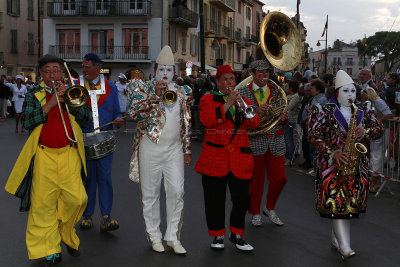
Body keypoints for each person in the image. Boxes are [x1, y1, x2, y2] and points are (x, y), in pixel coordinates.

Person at [5, 54, 91, 265]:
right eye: (48, 71)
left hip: (70, 154)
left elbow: (86, 118)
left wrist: (69, 102)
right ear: (41, 74)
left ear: (62, 73)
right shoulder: (34, 94)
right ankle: (50, 248)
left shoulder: (71, 91)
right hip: (44, 156)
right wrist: (51, 103)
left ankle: (66, 233)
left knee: (78, 199)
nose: (53, 75)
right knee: (43, 206)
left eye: (56, 70)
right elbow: (26, 122)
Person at [308, 70, 384, 260]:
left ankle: (336, 239)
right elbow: (313, 135)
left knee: (348, 206)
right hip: (331, 166)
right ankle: (345, 246)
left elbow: (379, 129)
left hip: (357, 166)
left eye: (353, 91)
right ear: (337, 93)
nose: (350, 95)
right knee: (338, 205)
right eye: (346, 91)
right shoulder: (324, 110)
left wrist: (365, 131)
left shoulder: (363, 110)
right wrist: (332, 152)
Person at [126, 45, 192, 254]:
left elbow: (186, 121)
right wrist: (154, 95)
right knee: (150, 195)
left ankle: (173, 236)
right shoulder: (142, 89)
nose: (165, 74)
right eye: (161, 70)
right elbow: (134, 114)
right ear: (155, 71)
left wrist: (187, 149)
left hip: (174, 149)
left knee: (177, 192)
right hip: (150, 147)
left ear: (174, 72)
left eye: (169, 70)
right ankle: (154, 236)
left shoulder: (182, 92)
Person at [195, 64, 259, 251]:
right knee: (214, 200)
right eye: (225, 79)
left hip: (240, 157)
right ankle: (217, 236)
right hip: (214, 157)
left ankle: (236, 234)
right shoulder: (208, 99)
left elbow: (254, 123)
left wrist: (243, 106)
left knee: (242, 199)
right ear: (217, 82)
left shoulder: (244, 99)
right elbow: (207, 121)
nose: (229, 83)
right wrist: (228, 103)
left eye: (232, 79)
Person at [237, 60, 288, 228]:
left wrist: (283, 118)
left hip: (275, 139)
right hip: (255, 141)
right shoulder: (242, 91)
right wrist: (256, 111)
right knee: (255, 181)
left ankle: (269, 207)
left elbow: (282, 112)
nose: (265, 75)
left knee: (280, 178)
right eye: (260, 72)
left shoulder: (277, 91)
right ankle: (255, 212)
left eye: (267, 72)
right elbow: (239, 117)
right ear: (252, 73)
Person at [78, 53, 124, 232]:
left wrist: (119, 120)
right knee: (88, 179)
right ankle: (87, 215)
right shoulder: (77, 86)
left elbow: (117, 113)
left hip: (105, 139)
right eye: (83, 66)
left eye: (87, 67)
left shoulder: (111, 87)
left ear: (97, 68)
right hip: (84, 139)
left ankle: (106, 216)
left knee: (104, 178)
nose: (84, 70)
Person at [361, 87, 392, 192]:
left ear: (368, 94)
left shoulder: (378, 101)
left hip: (381, 131)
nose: (361, 97)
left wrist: (377, 121)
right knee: (375, 155)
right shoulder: (371, 103)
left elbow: (388, 114)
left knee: (377, 156)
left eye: (363, 95)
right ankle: (376, 181)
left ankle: (374, 181)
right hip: (376, 131)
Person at [284, 81, 300, 165]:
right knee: (286, 139)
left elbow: (288, 107)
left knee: (289, 139)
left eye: (288, 87)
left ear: (291, 88)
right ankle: (287, 156)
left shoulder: (295, 96)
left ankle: (289, 158)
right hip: (285, 119)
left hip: (291, 120)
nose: (286, 88)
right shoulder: (288, 96)